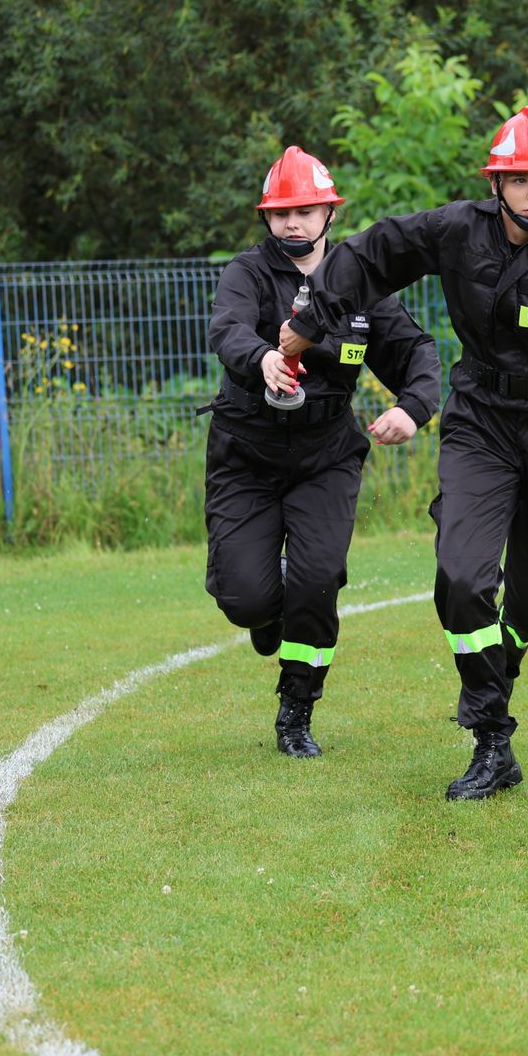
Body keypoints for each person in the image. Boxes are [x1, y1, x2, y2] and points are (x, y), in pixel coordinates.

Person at [280, 106, 528, 799]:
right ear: (497, 183)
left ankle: (511, 655)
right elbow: (369, 254)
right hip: (481, 419)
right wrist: (310, 321)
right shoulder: (455, 231)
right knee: (464, 577)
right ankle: (492, 739)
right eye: (522, 179)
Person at [203, 146, 440, 758]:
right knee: (246, 597)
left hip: (327, 454)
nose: (293, 224)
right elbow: (228, 329)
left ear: (329, 214)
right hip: (246, 451)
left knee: (315, 580)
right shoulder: (247, 274)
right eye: (281, 213)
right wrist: (260, 358)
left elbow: (416, 352)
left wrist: (411, 410)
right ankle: (263, 613)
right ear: (267, 219)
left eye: (306, 211)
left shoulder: (362, 283)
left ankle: (296, 710)